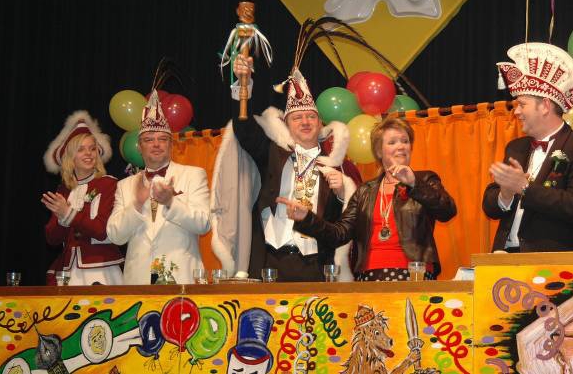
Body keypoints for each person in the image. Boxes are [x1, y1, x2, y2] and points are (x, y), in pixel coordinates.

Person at [212, 54, 360, 282]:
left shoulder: (337, 166)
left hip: (316, 266)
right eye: (297, 117)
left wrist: (342, 195)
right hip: (270, 263)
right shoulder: (272, 153)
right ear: (286, 124)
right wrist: (243, 84)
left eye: (311, 117)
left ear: (320, 123)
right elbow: (244, 128)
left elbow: (345, 228)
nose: (305, 122)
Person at [278, 116, 455, 281]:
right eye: (392, 142)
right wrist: (307, 218)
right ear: (379, 151)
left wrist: (414, 183)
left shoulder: (425, 179)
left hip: (414, 273)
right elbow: (339, 234)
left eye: (405, 141)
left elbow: (447, 210)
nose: (401, 146)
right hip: (369, 275)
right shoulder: (365, 191)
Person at [483, 42, 573, 252]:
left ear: (545, 106)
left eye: (522, 104)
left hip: (549, 259)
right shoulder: (515, 147)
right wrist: (505, 194)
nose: (516, 112)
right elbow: (490, 206)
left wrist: (525, 188)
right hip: (504, 255)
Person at [107, 90, 211, 285]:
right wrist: (136, 205)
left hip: (181, 279)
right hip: (138, 283)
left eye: (162, 139)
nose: (156, 144)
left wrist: (171, 202)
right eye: (149, 139)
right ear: (139, 147)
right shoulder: (125, 185)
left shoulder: (193, 175)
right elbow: (115, 236)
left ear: (171, 145)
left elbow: (203, 223)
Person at [42, 111, 124, 285]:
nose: (89, 153)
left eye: (92, 148)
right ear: (70, 157)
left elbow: (102, 230)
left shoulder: (109, 184)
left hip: (101, 269)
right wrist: (61, 217)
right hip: (69, 271)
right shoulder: (64, 190)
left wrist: (68, 214)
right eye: (81, 149)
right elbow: (52, 239)